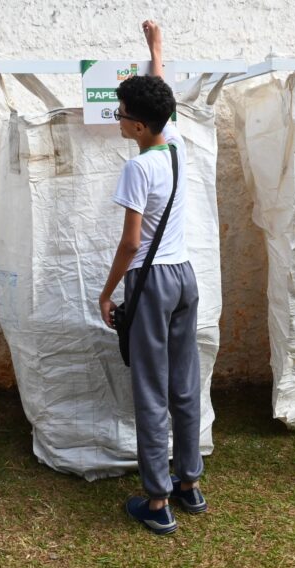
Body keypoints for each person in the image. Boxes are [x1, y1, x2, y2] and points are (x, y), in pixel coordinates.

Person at [97, 20, 207, 534]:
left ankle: (158, 502)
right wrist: (156, 49)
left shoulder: (137, 169)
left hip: (151, 283)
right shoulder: (176, 142)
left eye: (122, 115)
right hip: (185, 277)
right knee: (184, 385)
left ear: (139, 126)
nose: (118, 120)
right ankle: (189, 483)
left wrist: (106, 292)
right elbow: (163, 96)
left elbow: (130, 243)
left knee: (149, 390)